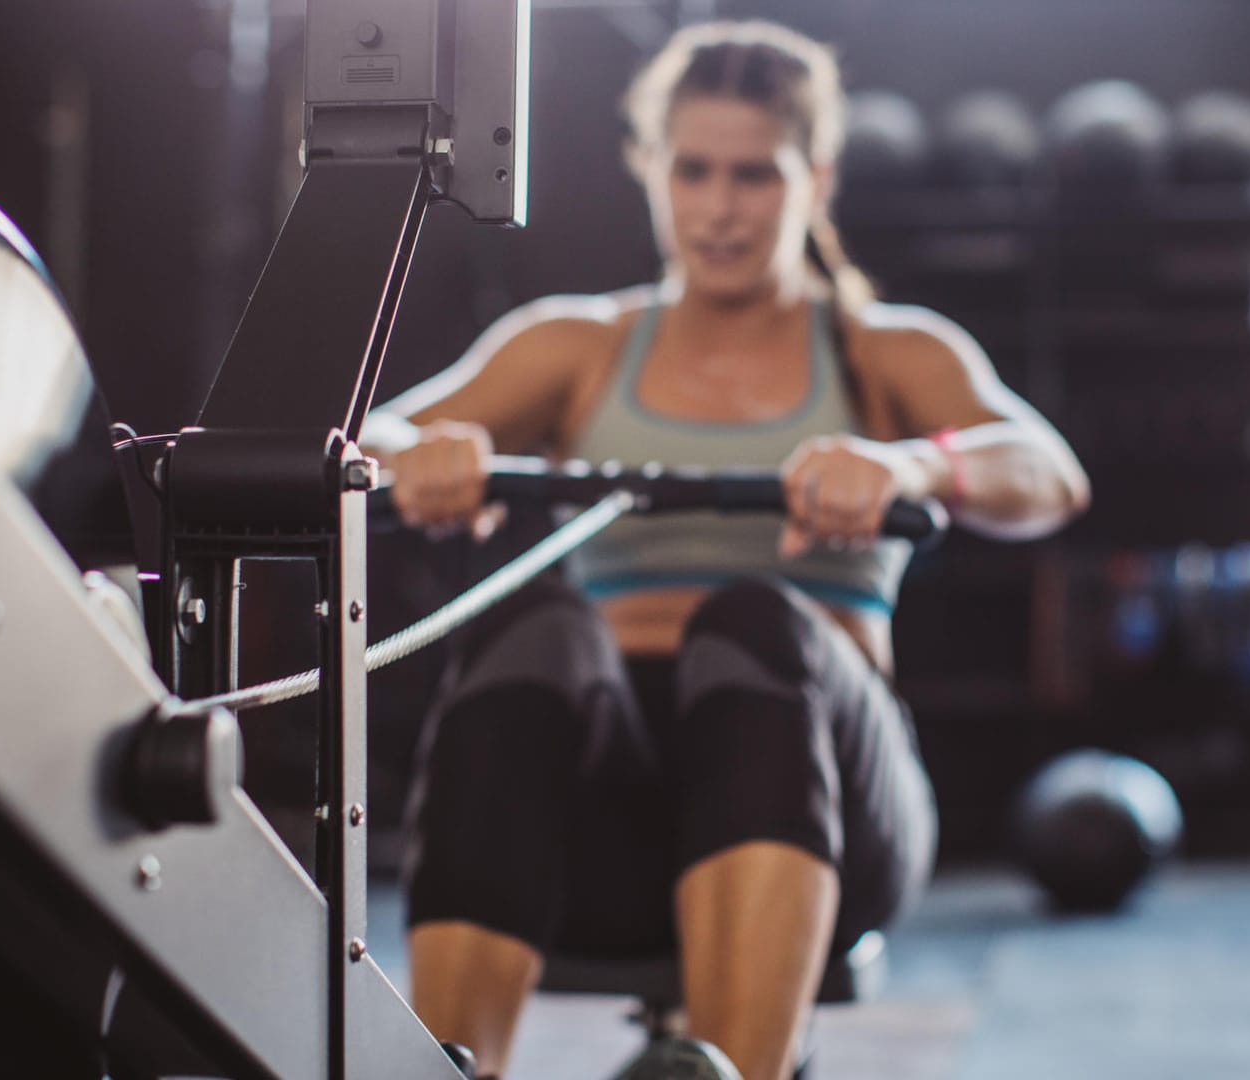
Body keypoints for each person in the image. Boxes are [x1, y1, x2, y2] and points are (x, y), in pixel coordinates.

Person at [362, 20, 1089, 1080]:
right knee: (532, 626)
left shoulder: (883, 350)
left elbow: (1048, 471)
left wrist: (913, 468)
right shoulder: (578, 344)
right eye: (692, 169)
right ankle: (449, 1067)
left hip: (827, 813)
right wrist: (425, 460)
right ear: (647, 166)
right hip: (602, 836)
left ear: (816, 176)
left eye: (754, 174)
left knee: (751, 617)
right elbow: (368, 438)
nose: (718, 207)